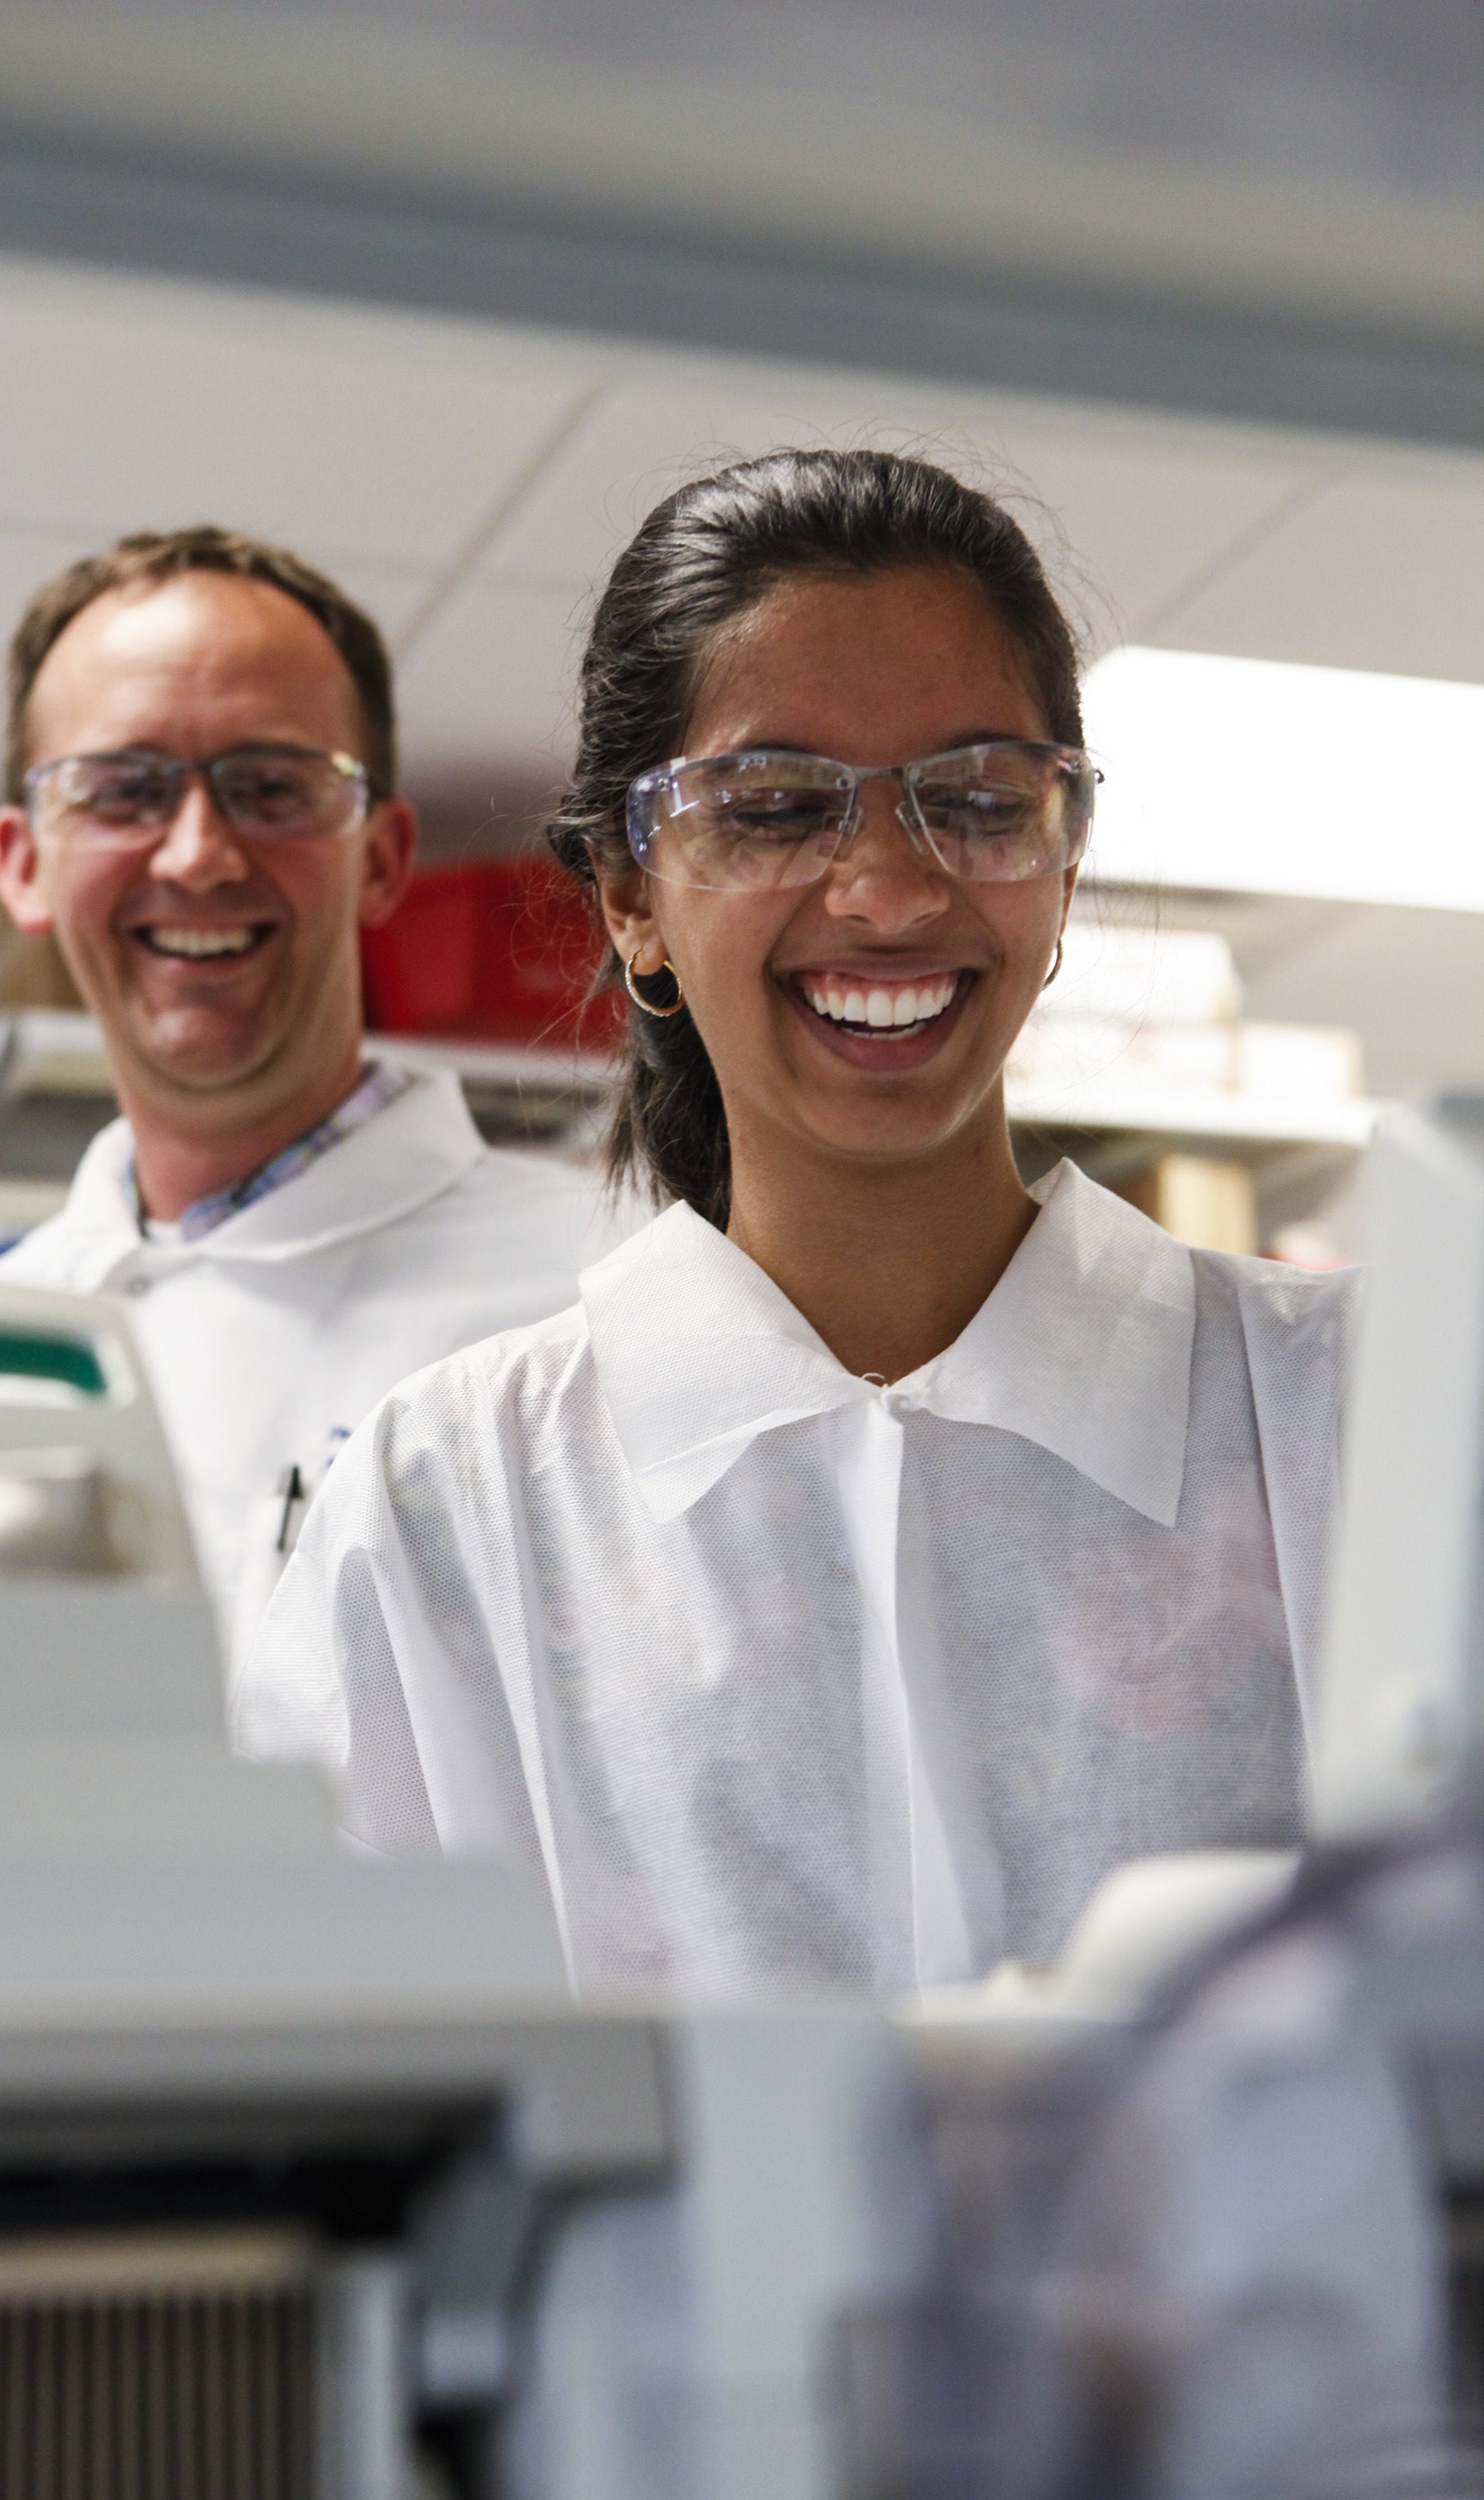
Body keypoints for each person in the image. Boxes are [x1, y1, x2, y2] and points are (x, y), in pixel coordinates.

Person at [238, 451, 1348, 1996]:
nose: (888, 890)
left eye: (973, 799)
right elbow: (317, 2074)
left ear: (1065, 855)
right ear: (629, 892)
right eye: (771, 808)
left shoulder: (1346, 1420)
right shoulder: (448, 1506)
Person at [0, 525, 618, 1667]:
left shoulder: (606, 1295)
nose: (197, 856)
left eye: (271, 788)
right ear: (23, 862)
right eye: (122, 790)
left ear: (380, 858)